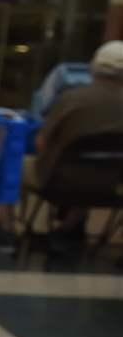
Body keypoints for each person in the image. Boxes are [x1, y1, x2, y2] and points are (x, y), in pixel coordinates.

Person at [27, 40, 123, 256]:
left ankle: (6, 229)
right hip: (112, 185)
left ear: (94, 67)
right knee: (95, 168)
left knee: (15, 164)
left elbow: (41, 142)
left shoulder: (72, 99)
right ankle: (69, 227)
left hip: (60, 179)